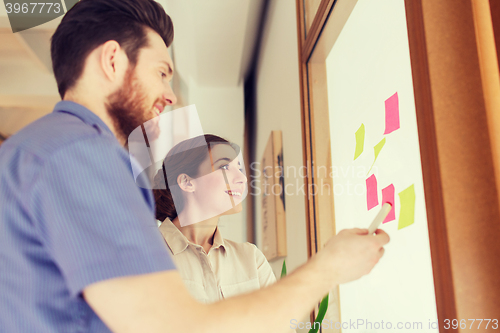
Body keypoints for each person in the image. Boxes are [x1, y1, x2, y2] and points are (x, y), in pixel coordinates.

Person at [0, 1, 389, 332]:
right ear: (113, 60)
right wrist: (329, 269)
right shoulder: (82, 156)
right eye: (162, 72)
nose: (169, 95)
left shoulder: (40, 150)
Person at [153, 134, 276, 304]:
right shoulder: (143, 254)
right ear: (187, 182)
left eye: (239, 168)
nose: (242, 178)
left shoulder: (252, 259)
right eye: (224, 167)